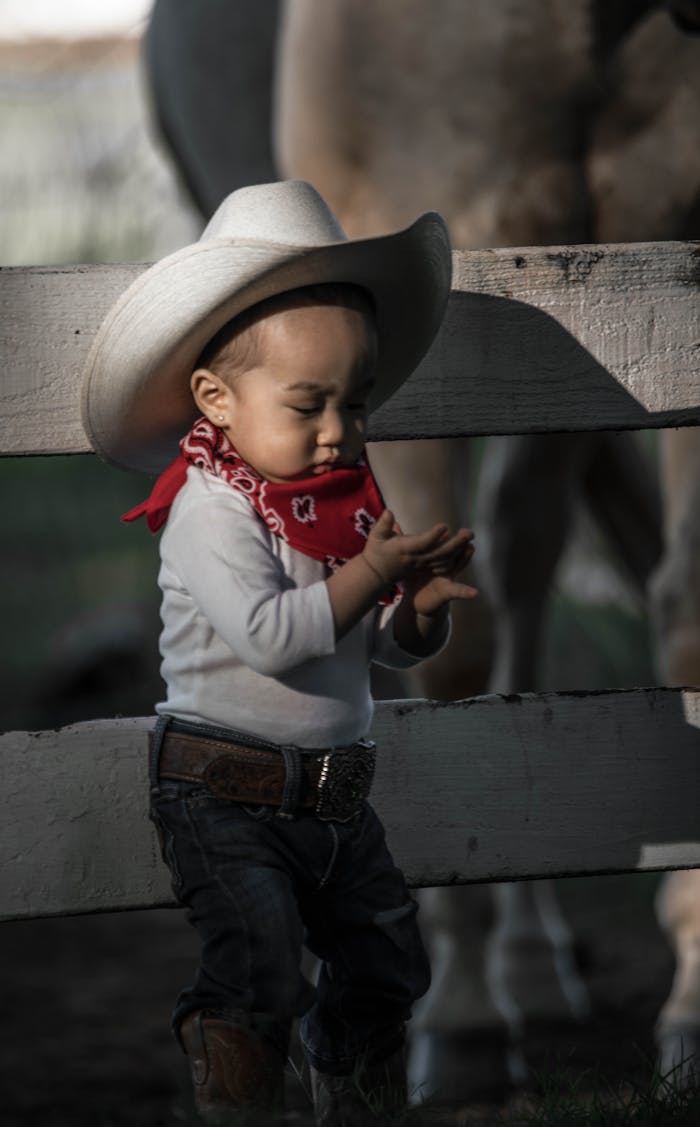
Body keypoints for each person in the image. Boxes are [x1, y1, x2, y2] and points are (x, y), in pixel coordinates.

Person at [81, 180, 477, 1125]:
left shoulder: (337, 505)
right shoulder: (207, 514)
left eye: (357, 401)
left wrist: (415, 610)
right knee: (258, 958)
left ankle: (354, 1092)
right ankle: (239, 1098)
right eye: (310, 405)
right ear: (217, 399)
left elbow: (367, 645)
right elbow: (273, 636)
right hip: (224, 794)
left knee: (388, 959)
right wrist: (366, 570)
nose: (340, 430)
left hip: (336, 796)